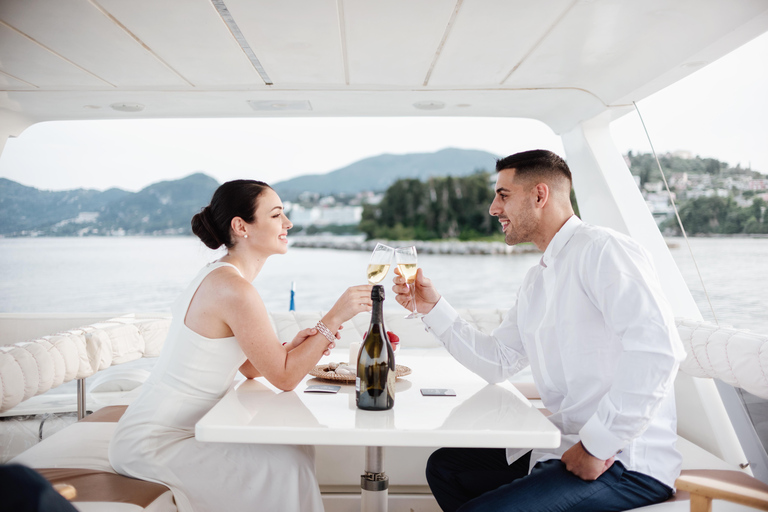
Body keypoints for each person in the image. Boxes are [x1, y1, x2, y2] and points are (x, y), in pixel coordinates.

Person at [392, 150, 686, 512]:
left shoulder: (604, 250)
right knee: (446, 467)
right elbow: (497, 361)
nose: (492, 209)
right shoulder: (538, 279)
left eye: (503, 195)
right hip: (565, 445)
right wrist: (432, 308)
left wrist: (598, 446)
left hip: (623, 462)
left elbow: (657, 350)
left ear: (539, 195)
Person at [109, 180, 373, 512]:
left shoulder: (224, 277)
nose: (288, 224)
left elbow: (248, 365)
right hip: (154, 442)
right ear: (241, 226)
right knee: (286, 465)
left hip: (181, 428)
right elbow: (285, 378)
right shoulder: (234, 289)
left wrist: (292, 346)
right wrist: (336, 315)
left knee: (295, 450)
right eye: (277, 215)